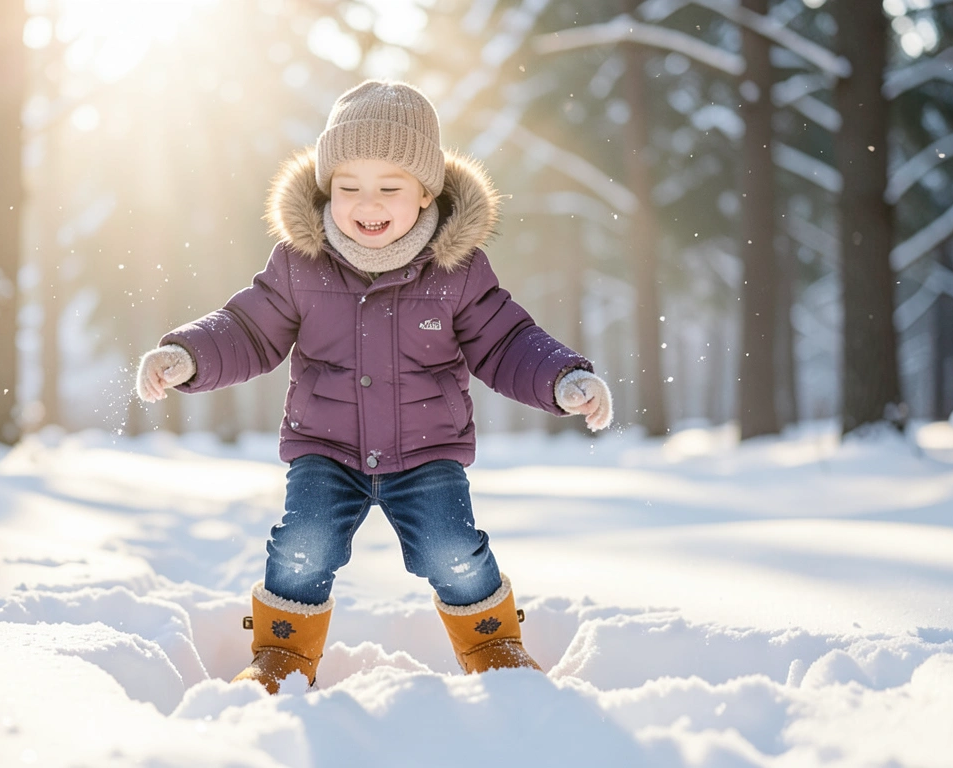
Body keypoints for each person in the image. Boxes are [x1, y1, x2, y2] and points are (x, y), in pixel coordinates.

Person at [136, 80, 613, 694]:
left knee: (452, 549)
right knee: (301, 547)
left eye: (389, 187)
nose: (368, 202)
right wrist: (188, 355)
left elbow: (504, 340)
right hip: (325, 449)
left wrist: (563, 377)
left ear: (426, 192)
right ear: (326, 188)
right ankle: (283, 655)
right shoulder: (298, 264)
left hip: (426, 452)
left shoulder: (458, 271)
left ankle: (493, 643)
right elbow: (248, 330)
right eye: (348, 186)